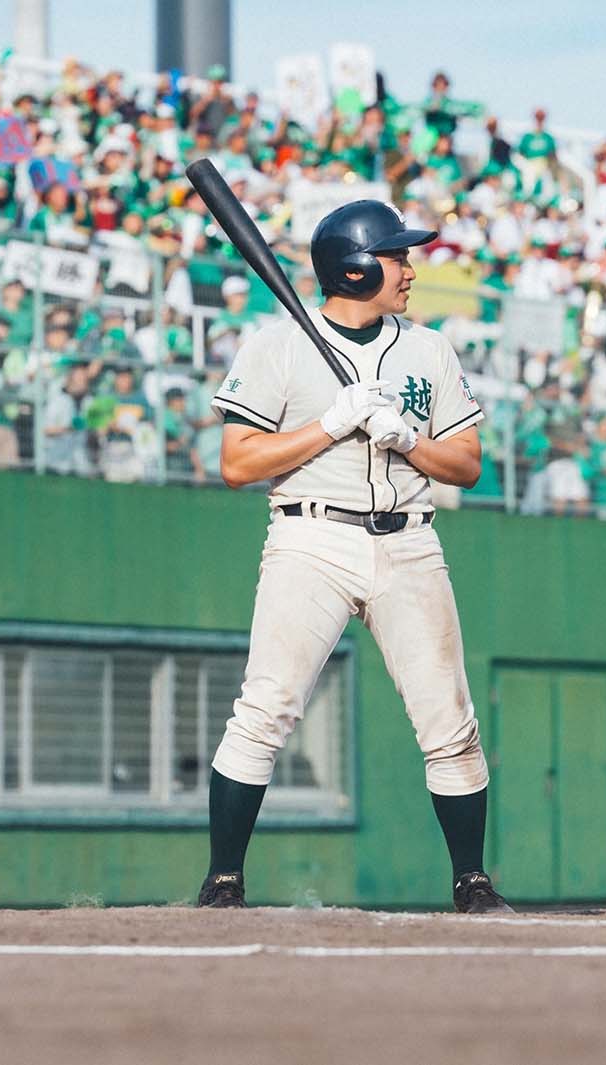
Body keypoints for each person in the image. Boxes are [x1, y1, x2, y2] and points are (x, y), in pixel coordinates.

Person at [199, 200, 510, 915]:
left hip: (410, 540)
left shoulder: (429, 349)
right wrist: (332, 424)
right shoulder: (278, 346)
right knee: (265, 708)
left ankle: (472, 880)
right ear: (356, 268)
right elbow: (238, 464)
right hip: (311, 538)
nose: (410, 269)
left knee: (450, 720)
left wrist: (407, 439)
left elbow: (466, 464)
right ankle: (223, 880)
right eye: (397, 256)